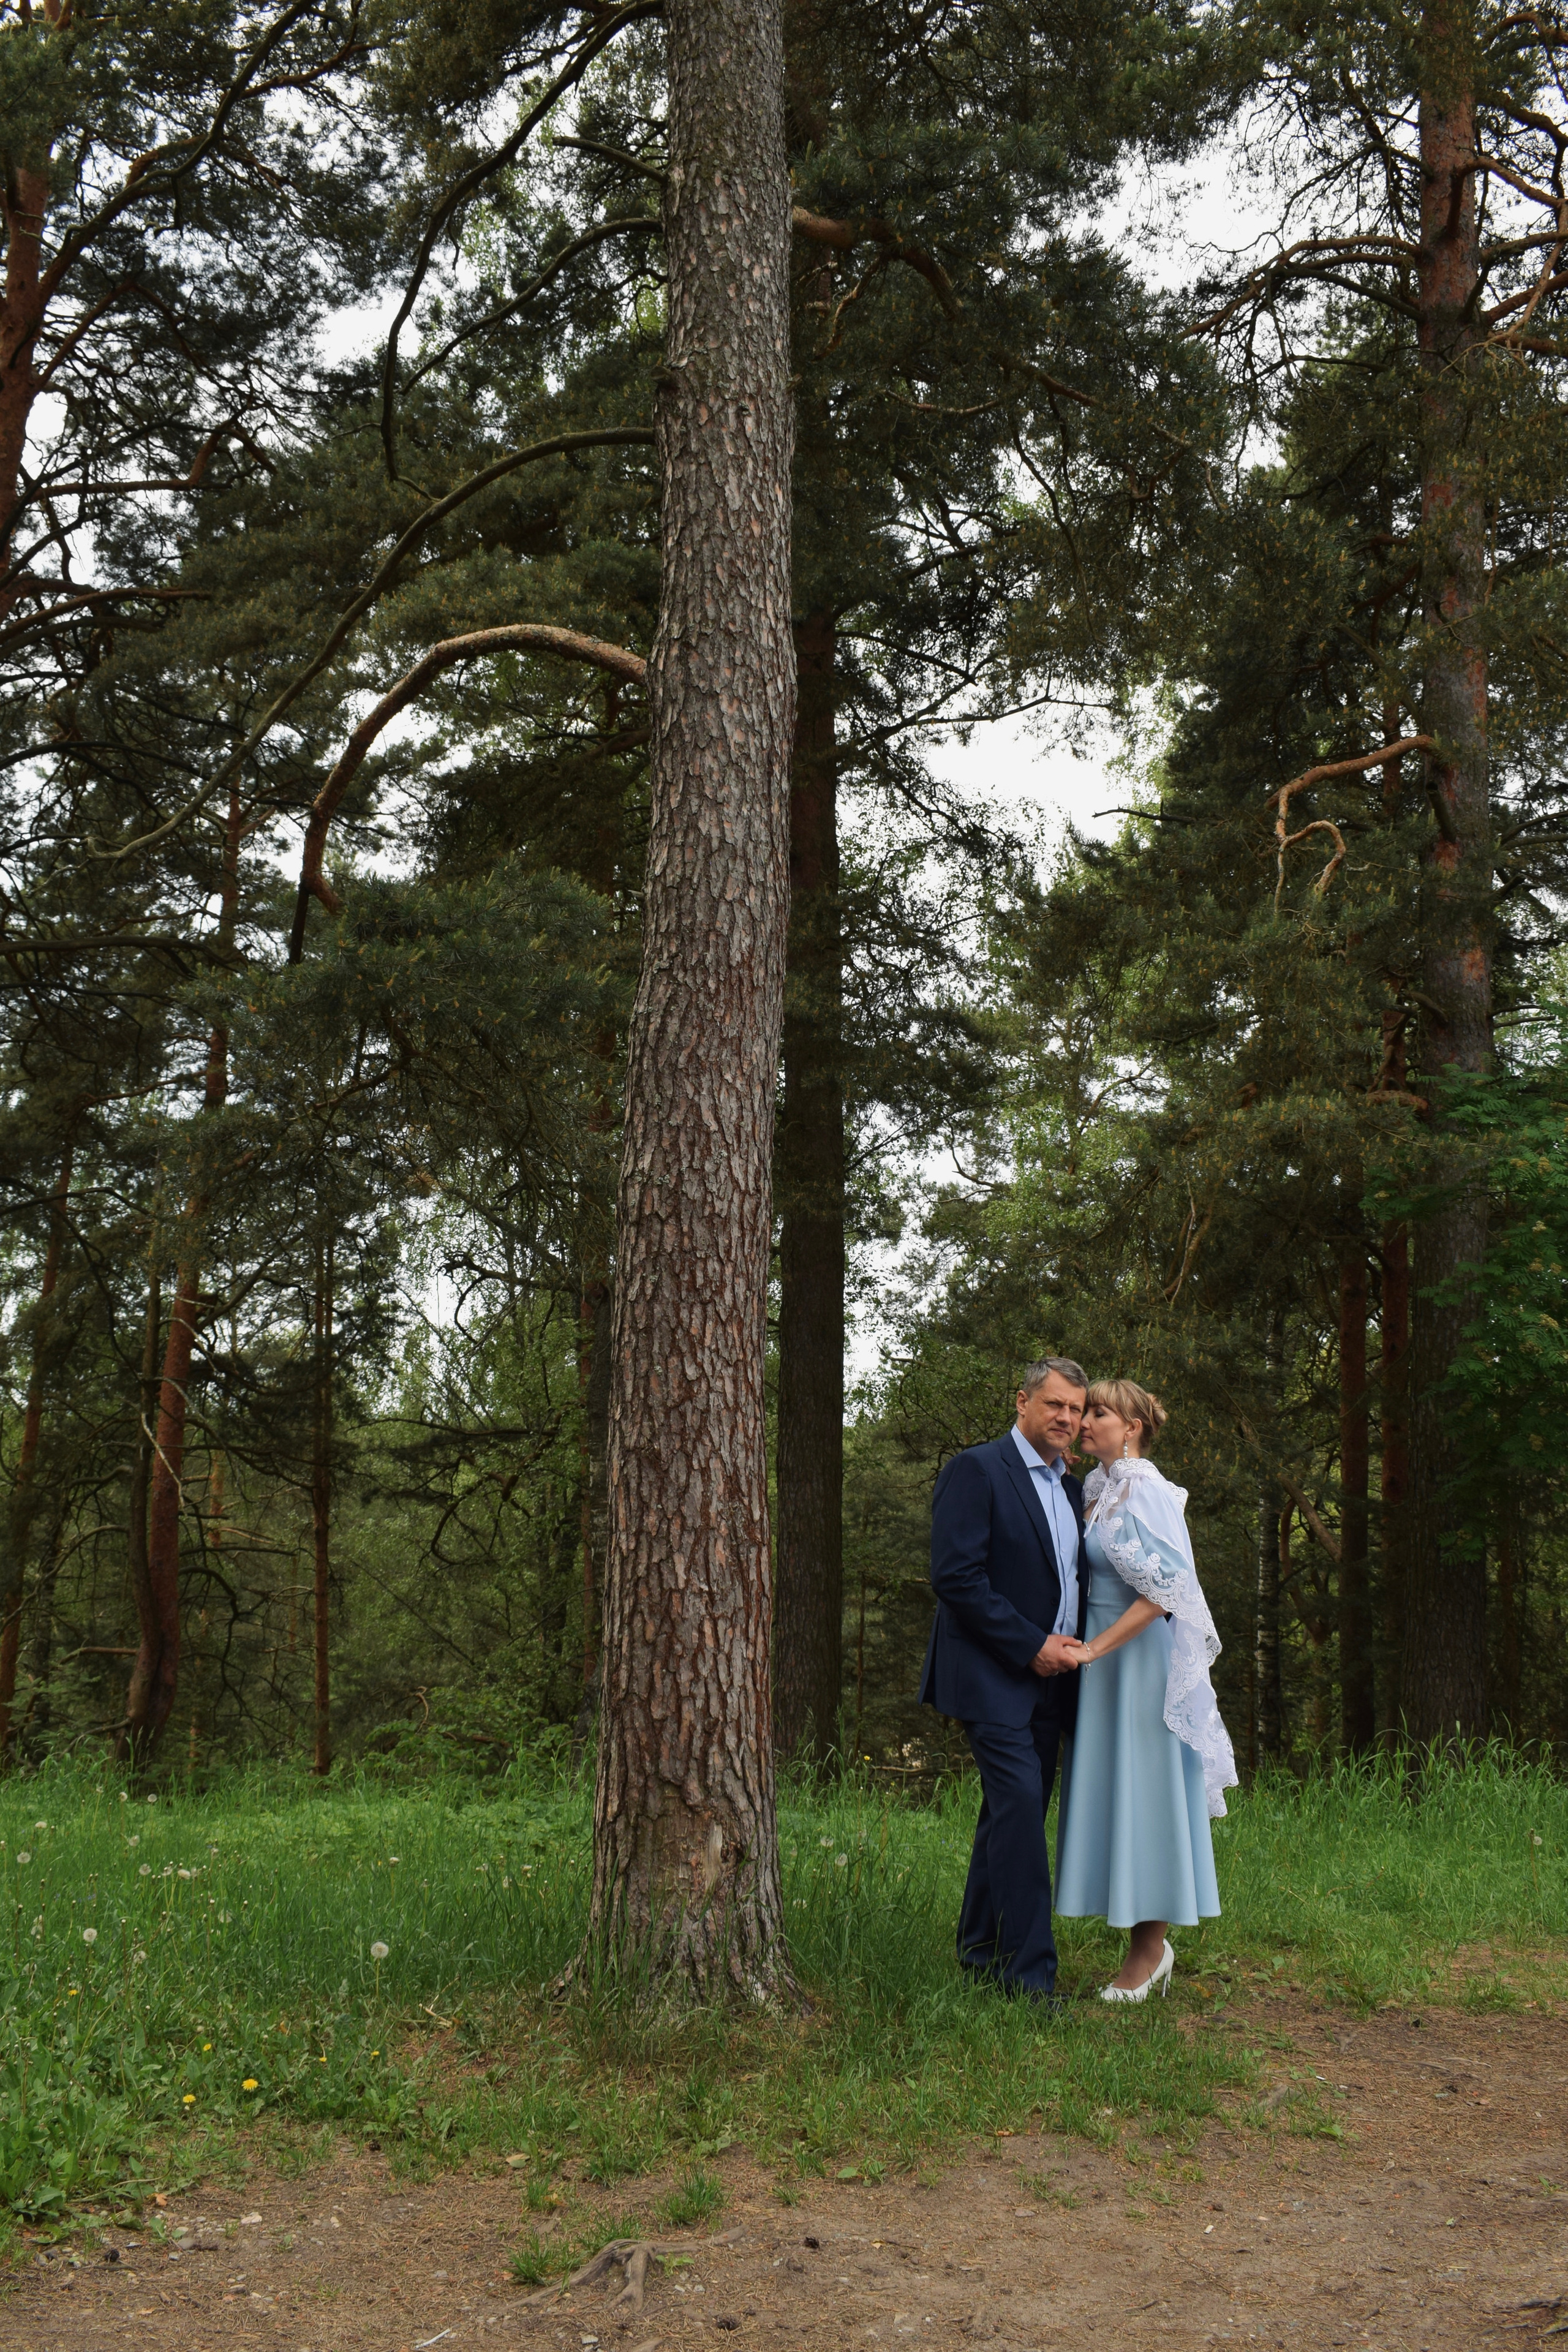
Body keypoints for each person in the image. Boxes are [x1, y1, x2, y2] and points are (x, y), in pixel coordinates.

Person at [1054, 1378, 1238, 2001]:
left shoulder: (1149, 1492)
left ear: (1130, 1426)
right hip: (1103, 1667)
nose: (1084, 1422)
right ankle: (1140, 1942)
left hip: (1137, 1664)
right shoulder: (1101, 1492)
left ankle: (1149, 1951)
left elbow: (1166, 1594)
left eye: (1097, 1413)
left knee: (1148, 1794)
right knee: (1118, 1794)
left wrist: (1095, 1650)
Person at [919, 1357, 1091, 2002]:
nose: (1066, 1419)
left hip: (1055, 1681)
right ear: (1021, 1402)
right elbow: (956, 1577)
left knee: (1008, 1815)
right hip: (992, 1674)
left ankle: (978, 1952)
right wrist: (1030, 1646)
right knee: (1019, 1811)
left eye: (1075, 1410)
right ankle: (1030, 1981)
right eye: (1054, 1405)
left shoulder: (1071, 1487)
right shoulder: (977, 1469)